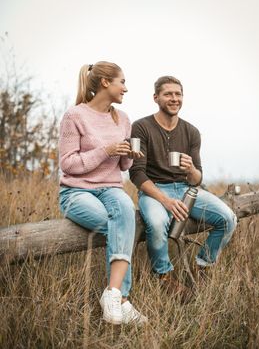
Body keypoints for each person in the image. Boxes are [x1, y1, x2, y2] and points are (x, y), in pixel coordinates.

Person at [58, 61, 147, 325]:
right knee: (118, 225)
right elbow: (69, 164)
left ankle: (114, 294)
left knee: (125, 213)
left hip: (111, 188)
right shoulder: (74, 116)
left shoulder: (123, 119)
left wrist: (129, 156)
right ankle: (121, 301)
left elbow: (123, 167)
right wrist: (106, 150)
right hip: (76, 191)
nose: (126, 89)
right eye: (122, 82)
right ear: (105, 83)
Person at [129, 76, 237, 289]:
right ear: (156, 97)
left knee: (228, 219)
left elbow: (197, 179)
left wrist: (191, 170)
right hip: (154, 191)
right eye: (168, 94)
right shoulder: (141, 127)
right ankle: (164, 276)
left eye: (178, 94)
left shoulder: (191, 132)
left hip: (187, 191)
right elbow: (137, 174)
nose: (174, 98)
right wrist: (166, 201)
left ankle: (203, 266)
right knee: (158, 224)